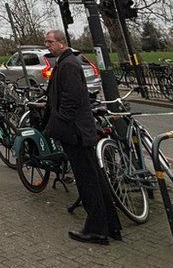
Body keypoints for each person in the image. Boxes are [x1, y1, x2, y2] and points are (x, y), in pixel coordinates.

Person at [42, 29, 121, 245]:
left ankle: (96, 230)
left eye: (50, 42)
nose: (47, 45)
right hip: (79, 130)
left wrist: (60, 122)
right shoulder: (67, 62)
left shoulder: (68, 65)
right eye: (46, 42)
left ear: (61, 42)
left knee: (88, 182)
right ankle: (111, 225)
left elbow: (72, 99)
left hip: (75, 132)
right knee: (95, 178)